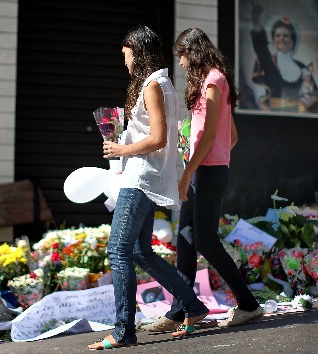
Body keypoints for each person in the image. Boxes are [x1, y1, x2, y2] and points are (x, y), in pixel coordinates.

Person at [87, 25, 210, 350]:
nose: (124, 63)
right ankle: (194, 306)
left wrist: (119, 150)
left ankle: (124, 330)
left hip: (140, 178)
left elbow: (159, 138)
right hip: (148, 175)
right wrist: (122, 139)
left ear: (138, 54)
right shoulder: (160, 83)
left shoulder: (153, 85)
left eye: (126, 56)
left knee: (119, 249)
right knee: (140, 251)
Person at [142, 28, 263, 333]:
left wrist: (189, 172)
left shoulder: (214, 81)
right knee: (185, 239)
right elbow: (230, 136)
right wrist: (206, 155)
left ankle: (249, 305)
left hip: (206, 171)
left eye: (181, 55)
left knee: (206, 241)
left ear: (192, 51)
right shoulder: (211, 81)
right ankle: (181, 309)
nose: (180, 63)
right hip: (205, 167)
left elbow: (210, 136)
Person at [249, 2, 318, 112]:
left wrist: (313, 100)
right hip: (273, 114)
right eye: (277, 35)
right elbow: (260, 47)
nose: (281, 38)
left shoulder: (301, 67)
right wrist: (256, 21)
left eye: (285, 36)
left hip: (297, 115)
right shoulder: (270, 61)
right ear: (274, 40)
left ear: (291, 41)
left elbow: (315, 92)